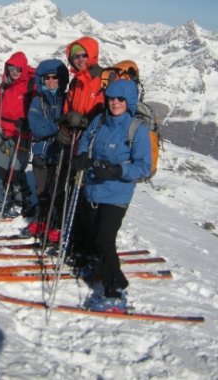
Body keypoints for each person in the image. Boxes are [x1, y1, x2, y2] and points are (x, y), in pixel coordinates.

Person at [74, 79, 152, 311]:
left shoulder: (136, 129)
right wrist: (81, 157)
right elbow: (85, 140)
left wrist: (118, 170)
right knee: (90, 232)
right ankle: (95, 266)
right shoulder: (99, 121)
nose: (115, 103)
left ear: (129, 101)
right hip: (93, 189)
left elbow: (143, 167)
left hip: (117, 194)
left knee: (104, 240)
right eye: (111, 98)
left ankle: (115, 289)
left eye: (120, 99)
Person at [0, 51, 34, 217]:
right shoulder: (4, 87)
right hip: (4, 133)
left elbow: (35, 110)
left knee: (16, 172)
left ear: (23, 69)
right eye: (11, 68)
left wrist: (28, 123)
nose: (14, 72)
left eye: (18, 69)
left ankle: (23, 201)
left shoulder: (30, 87)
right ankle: (8, 197)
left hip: (21, 135)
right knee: (2, 169)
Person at [26, 59, 69, 237]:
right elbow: (36, 127)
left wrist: (54, 127)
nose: (51, 81)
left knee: (57, 190)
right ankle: (42, 219)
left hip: (61, 152)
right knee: (42, 190)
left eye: (55, 77)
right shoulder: (38, 101)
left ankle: (56, 223)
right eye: (47, 78)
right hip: (42, 153)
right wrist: (58, 126)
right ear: (41, 80)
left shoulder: (67, 99)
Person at [57, 36, 105, 148]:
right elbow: (67, 110)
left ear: (92, 55)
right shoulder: (75, 82)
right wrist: (65, 127)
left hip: (95, 142)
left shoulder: (104, 79)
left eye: (84, 55)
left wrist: (84, 122)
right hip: (74, 141)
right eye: (76, 56)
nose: (81, 60)